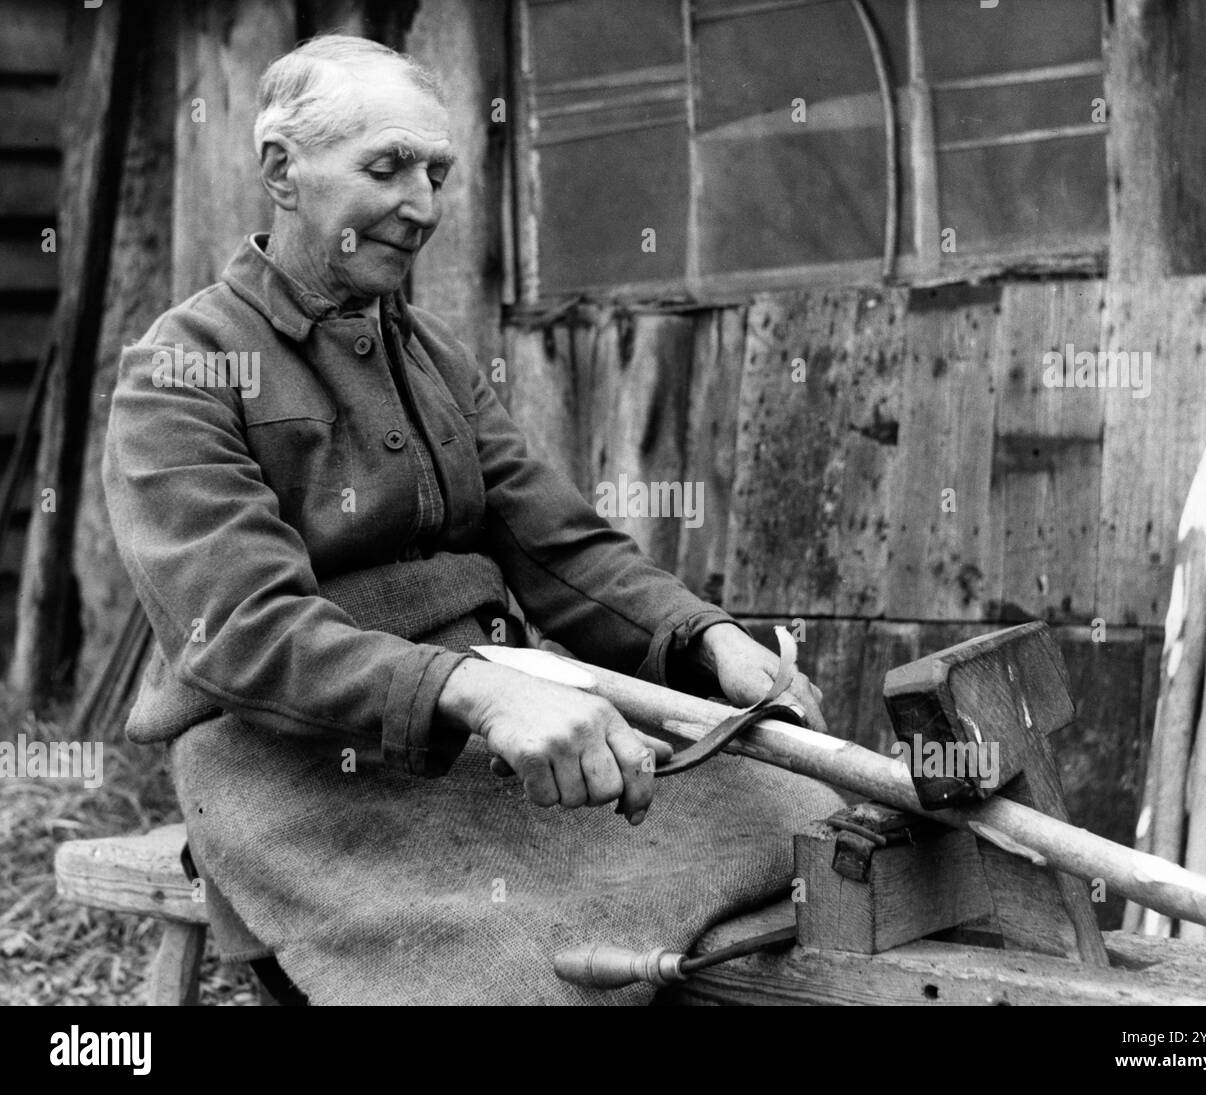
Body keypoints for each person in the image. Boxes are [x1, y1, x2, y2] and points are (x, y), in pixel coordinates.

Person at [103, 34, 842, 1005]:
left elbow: (557, 548)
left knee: (804, 815)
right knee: (484, 975)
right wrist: (478, 694)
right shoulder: (183, 370)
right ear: (282, 170)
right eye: (387, 168)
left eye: (437, 174)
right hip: (298, 774)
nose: (423, 207)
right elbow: (243, 634)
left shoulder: (433, 357)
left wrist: (703, 639)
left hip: (492, 741)